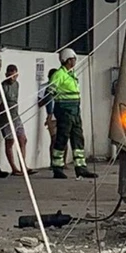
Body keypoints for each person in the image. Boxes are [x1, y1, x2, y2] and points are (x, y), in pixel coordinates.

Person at [48, 49, 97, 179]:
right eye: (73, 59)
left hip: (75, 111)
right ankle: (57, 168)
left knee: (78, 139)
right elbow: (50, 91)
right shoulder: (59, 74)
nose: (75, 61)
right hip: (64, 111)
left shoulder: (71, 74)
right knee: (62, 139)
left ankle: (81, 168)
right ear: (68, 60)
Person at [0, 64, 28, 176]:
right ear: (6, 75)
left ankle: (23, 165)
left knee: (23, 139)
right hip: (6, 118)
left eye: (14, 75)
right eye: (10, 75)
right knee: (10, 141)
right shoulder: (3, 87)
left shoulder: (17, 85)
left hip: (16, 115)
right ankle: (14, 168)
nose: (12, 78)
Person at [39, 68, 63, 170]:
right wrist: (48, 96)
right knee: (54, 139)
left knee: (62, 139)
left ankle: (62, 162)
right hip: (51, 115)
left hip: (61, 114)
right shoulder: (45, 87)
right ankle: (52, 162)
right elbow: (40, 102)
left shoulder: (61, 87)